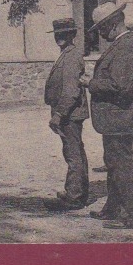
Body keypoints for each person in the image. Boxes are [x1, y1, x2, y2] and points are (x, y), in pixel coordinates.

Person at [84, 2, 133, 230]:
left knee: (121, 165)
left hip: (120, 118)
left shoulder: (125, 47)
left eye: (101, 29)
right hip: (117, 118)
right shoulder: (124, 44)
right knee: (114, 162)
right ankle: (113, 208)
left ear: (113, 25)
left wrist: (90, 83)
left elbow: (120, 85)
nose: (101, 35)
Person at [43, 18, 89, 210]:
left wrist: (59, 114)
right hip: (68, 113)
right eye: (57, 34)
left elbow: (71, 91)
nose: (59, 37)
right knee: (73, 151)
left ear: (72, 35)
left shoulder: (71, 56)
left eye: (63, 33)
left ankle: (75, 196)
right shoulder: (66, 54)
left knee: (73, 153)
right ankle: (75, 190)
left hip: (70, 114)